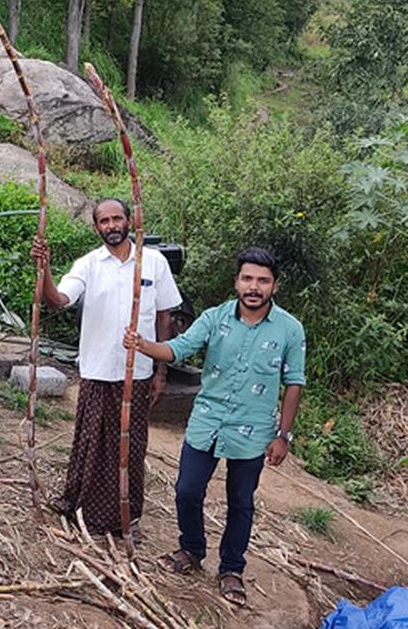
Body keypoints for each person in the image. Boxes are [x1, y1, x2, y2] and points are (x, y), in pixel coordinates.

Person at [123, 247, 305, 607]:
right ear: (237, 281)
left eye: (263, 281)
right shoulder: (215, 317)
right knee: (187, 491)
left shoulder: (290, 329)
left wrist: (283, 435)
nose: (254, 287)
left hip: (253, 432)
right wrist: (143, 345)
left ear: (274, 286)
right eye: (247, 278)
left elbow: (294, 383)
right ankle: (191, 549)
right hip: (207, 422)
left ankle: (231, 569)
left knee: (241, 502)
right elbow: (178, 349)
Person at [31, 197, 183, 535]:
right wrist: (45, 270)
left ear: (129, 221)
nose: (112, 226)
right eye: (104, 221)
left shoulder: (153, 263)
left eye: (117, 219)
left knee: (131, 445)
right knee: (92, 442)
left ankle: (124, 517)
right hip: (98, 370)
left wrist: (161, 371)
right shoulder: (88, 264)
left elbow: (164, 316)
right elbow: (57, 300)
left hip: (139, 373)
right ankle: (82, 507)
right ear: (96, 227)